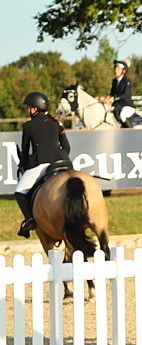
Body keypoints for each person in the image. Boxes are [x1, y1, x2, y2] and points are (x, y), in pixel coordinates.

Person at [14, 92, 71, 238]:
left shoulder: (28, 126)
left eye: (28, 107)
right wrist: (58, 157)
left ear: (34, 108)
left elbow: (25, 153)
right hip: (63, 161)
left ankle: (30, 220)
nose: (26, 110)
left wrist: (24, 166)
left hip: (42, 163)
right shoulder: (56, 122)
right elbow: (67, 148)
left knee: (19, 191)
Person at [104, 59, 140, 128]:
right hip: (117, 105)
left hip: (127, 105)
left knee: (122, 115)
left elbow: (126, 94)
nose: (115, 71)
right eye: (115, 68)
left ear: (123, 71)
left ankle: (130, 131)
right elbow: (112, 93)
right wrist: (108, 98)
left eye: (118, 69)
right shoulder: (114, 81)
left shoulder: (127, 80)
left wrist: (114, 98)